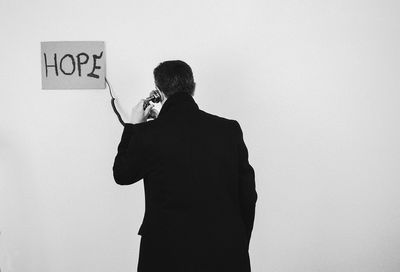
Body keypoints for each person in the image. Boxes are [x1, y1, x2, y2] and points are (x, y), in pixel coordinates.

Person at [113, 60, 258, 272]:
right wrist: (238, 244)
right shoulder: (229, 130)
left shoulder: (147, 135)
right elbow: (248, 196)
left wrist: (133, 128)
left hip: (165, 255)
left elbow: (122, 174)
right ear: (193, 87)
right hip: (225, 254)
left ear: (158, 93)